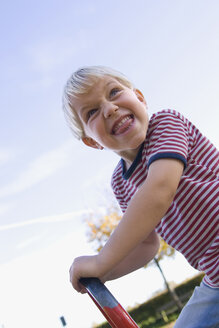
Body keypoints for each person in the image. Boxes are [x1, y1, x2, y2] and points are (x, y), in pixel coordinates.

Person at [62, 66, 219, 327]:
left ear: (140, 99)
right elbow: (147, 246)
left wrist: (101, 261)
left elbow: (160, 190)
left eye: (114, 92)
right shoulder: (120, 183)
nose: (110, 108)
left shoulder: (166, 124)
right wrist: (102, 274)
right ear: (92, 142)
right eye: (92, 112)